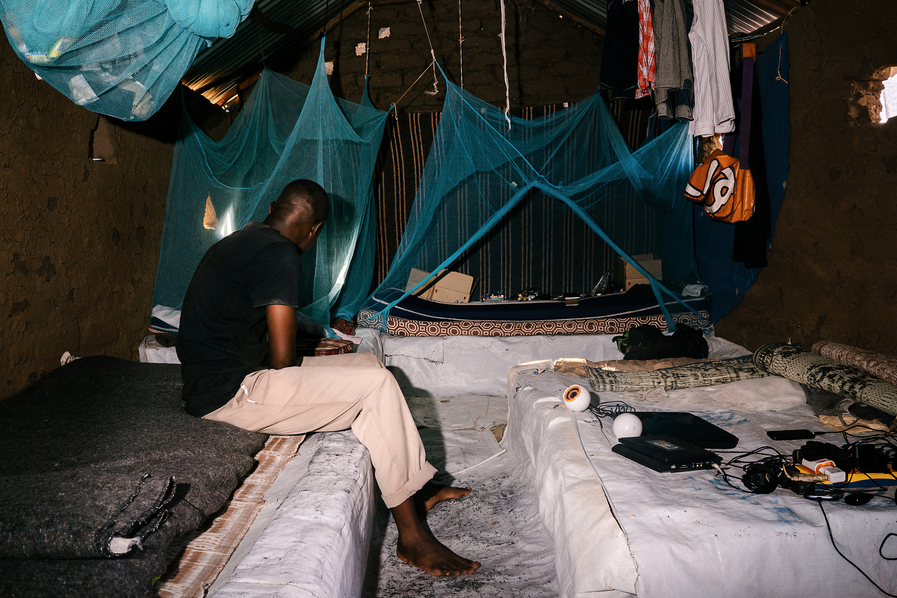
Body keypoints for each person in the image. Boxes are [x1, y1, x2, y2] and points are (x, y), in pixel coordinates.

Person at [176, 179, 480, 577]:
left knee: (371, 368)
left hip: (228, 377)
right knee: (376, 386)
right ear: (315, 229)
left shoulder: (239, 241)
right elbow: (283, 360)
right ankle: (413, 538)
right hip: (230, 394)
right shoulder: (280, 254)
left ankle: (417, 487)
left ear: (272, 207)